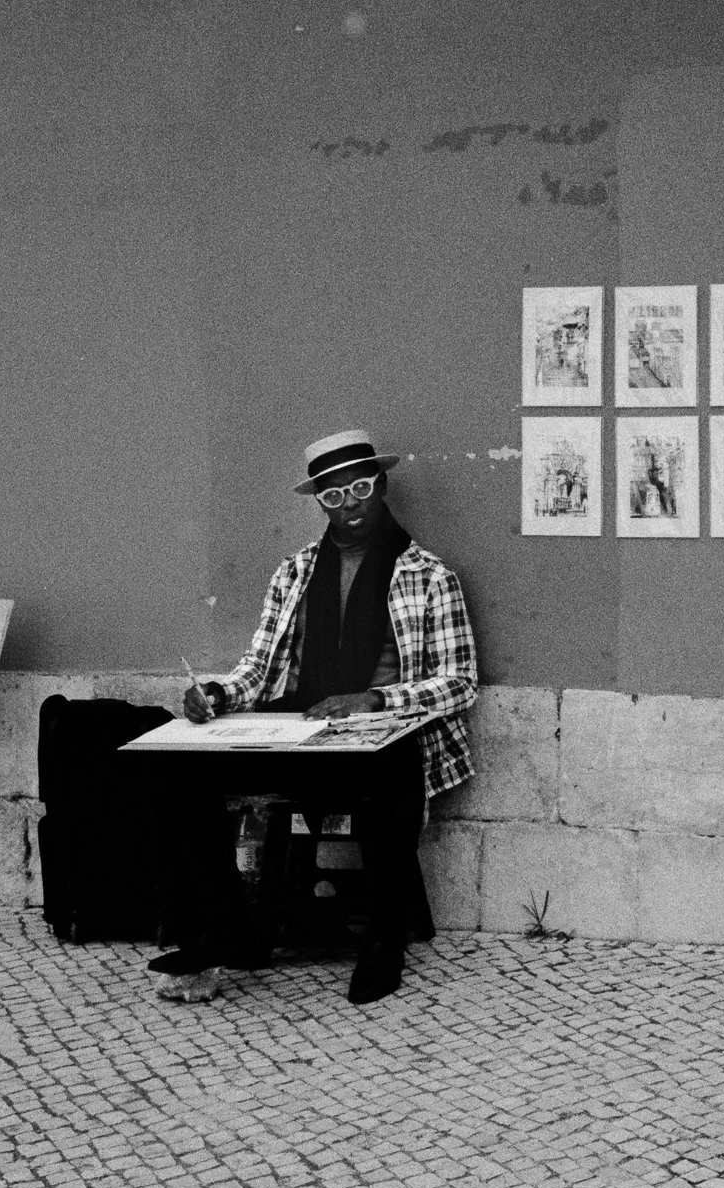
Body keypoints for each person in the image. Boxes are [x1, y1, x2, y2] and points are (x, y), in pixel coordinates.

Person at [150, 429, 478, 1005]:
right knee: (180, 775)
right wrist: (217, 694)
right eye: (333, 495)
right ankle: (225, 929)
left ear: (381, 487)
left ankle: (383, 946)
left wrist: (376, 700)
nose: (349, 505)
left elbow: (459, 684)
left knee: (392, 775)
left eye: (360, 488)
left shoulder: (429, 575)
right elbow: (257, 666)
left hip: (383, 738)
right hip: (302, 732)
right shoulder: (294, 573)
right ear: (319, 501)